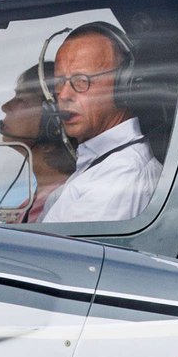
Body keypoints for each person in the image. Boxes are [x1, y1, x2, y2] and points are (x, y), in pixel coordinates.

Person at [38, 23, 162, 225]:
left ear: (124, 85)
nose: (64, 95)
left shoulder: (119, 176)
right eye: (59, 82)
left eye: (81, 81)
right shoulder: (101, 162)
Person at [0, 63, 75, 223]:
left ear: (53, 120)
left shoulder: (70, 203)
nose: (5, 107)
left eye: (21, 99)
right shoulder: (27, 209)